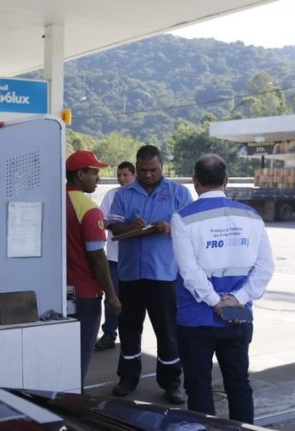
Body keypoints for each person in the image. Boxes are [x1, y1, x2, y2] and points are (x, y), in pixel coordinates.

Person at [171, 154, 274, 423]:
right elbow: (265, 268)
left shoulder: (182, 218)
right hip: (237, 317)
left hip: (196, 320)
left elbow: (189, 272)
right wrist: (236, 299)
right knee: (239, 384)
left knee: (199, 386)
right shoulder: (251, 216)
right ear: (226, 181)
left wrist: (215, 300)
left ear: (195, 182)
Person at [108, 145, 192, 405]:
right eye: (143, 170)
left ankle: (171, 383)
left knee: (167, 332)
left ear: (162, 166)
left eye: (153, 170)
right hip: (130, 274)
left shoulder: (178, 193)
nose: (147, 175)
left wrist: (169, 227)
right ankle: (128, 378)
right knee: (129, 330)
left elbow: (190, 229)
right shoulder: (123, 195)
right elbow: (114, 227)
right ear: (136, 167)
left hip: (164, 276)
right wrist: (129, 226)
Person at [65, 150, 122, 386]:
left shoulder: (53, 198)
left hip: (54, 291)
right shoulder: (89, 209)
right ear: (80, 174)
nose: (98, 178)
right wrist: (112, 295)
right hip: (85, 296)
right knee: (78, 359)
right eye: (94, 173)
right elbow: (98, 257)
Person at [95, 161, 136, 351]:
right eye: (119, 175)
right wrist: (117, 225)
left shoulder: (140, 195)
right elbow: (102, 220)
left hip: (135, 258)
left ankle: (131, 333)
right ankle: (110, 333)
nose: (121, 179)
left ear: (134, 175)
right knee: (112, 296)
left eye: (125, 175)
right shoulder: (112, 195)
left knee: (135, 299)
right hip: (114, 256)